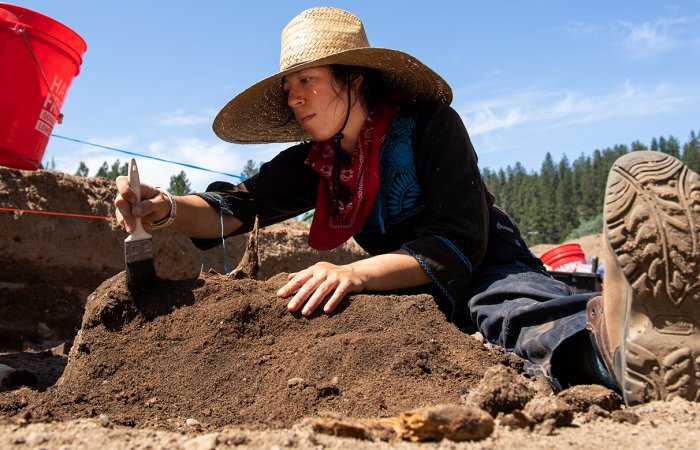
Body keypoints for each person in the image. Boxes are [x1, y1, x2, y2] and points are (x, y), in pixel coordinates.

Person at [115, 7, 700, 406]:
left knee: (504, 310)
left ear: (353, 80)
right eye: (287, 87)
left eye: (307, 81)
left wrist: (354, 272)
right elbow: (233, 208)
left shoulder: (430, 128)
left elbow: (457, 239)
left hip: (483, 263)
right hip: (402, 290)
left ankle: (621, 350)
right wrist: (160, 207)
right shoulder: (313, 162)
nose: (293, 98)